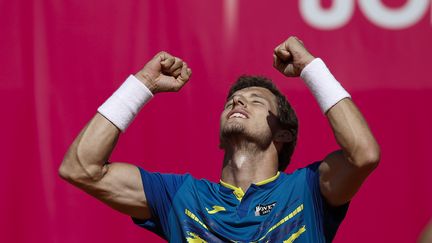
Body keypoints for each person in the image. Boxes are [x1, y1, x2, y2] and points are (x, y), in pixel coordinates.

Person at [59, 36, 380, 242]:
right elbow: (81, 167)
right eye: (232, 100)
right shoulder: (181, 197)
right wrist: (142, 84)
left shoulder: (308, 190)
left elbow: (362, 154)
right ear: (220, 139)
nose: (238, 102)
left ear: (283, 133)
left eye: (256, 101)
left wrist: (311, 68)